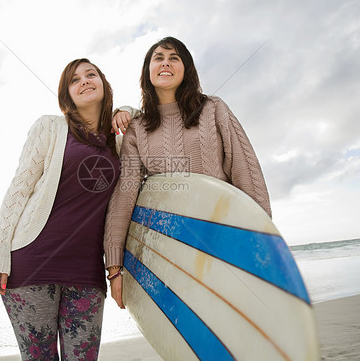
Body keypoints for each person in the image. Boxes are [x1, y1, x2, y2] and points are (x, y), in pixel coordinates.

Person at [103, 36, 272, 309]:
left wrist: (265, 242)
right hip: (171, 253)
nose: (165, 63)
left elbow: (246, 173)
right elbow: (125, 195)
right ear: (148, 70)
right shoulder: (138, 128)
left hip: (225, 239)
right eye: (158, 58)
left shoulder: (213, 109)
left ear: (186, 68)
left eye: (174, 58)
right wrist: (114, 268)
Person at [0, 58, 130, 360]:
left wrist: (127, 110)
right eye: (75, 80)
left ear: (104, 84)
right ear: (67, 94)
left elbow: (145, 121)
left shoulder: (119, 144)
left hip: (87, 272)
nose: (85, 81)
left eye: (91, 75)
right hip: (31, 265)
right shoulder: (50, 127)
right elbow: (19, 189)